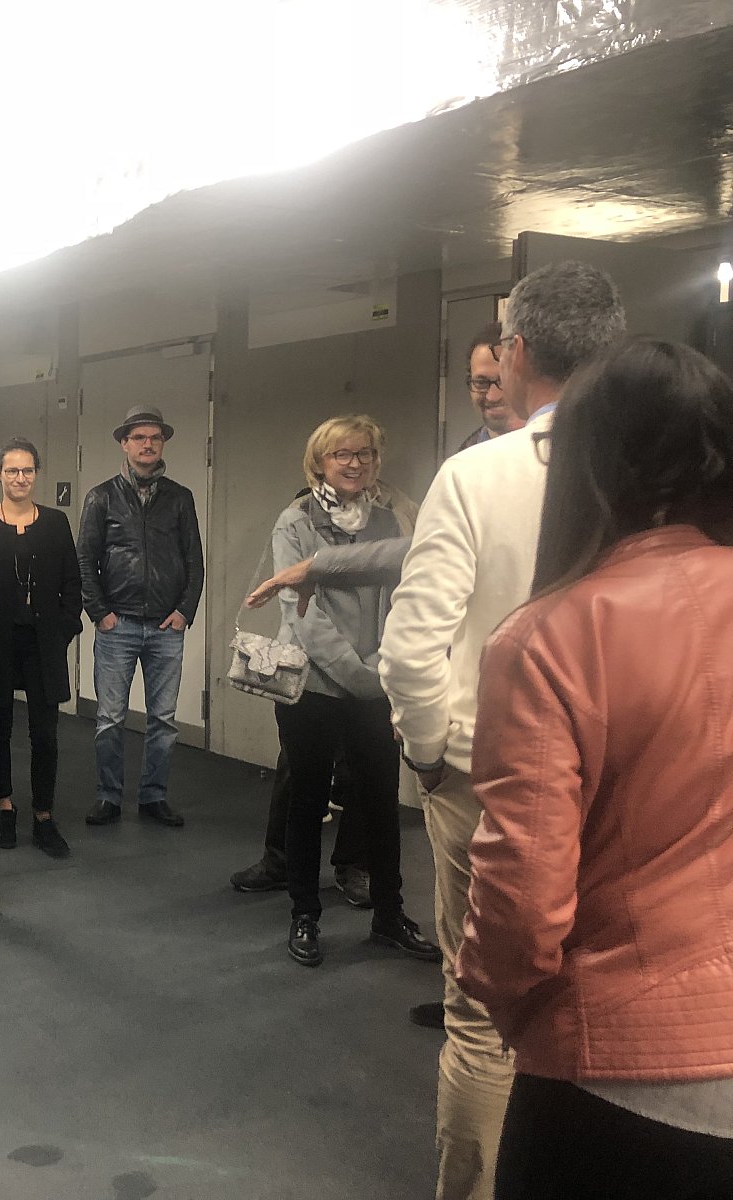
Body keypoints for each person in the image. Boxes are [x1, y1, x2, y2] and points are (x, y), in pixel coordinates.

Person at [458, 338, 733, 1200]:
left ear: (585, 462)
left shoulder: (552, 634)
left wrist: (504, 1005)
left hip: (619, 1064)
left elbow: (522, 902)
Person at [379, 259, 626, 1200]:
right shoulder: (665, 472)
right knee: (603, 995)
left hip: (490, 778)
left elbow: (413, 648)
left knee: (483, 1016)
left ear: (517, 352)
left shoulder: (477, 475)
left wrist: (430, 754)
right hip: (627, 784)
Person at [267, 415, 440, 969]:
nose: (355, 463)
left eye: (364, 453)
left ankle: (390, 915)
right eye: (341, 454)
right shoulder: (295, 521)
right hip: (316, 686)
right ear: (319, 462)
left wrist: (381, 667)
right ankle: (305, 914)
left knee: (379, 802)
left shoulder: (392, 520)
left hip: (378, 679)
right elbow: (301, 614)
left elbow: (407, 596)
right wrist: (363, 675)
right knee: (307, 799)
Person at [77, 406, 203, 829]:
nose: (147, 444)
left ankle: (154, 796)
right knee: (110, 718)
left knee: (163, 720)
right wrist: (100, 613)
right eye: (139, 437)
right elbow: (84, 560)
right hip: (119, 626)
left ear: (162, 443)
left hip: (167, 627)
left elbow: (194, 561)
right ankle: (108, 796)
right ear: (124, 443)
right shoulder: (101, 497)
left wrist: (184, 612)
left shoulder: (180, 498)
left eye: (155, 437)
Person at [0, 437, 81, 858]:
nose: (20, 478)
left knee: (45, 734)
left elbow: (72, 581)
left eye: (27, 470)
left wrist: (65, 627)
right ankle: (4, 806)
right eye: (12, 470)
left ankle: (43, 815)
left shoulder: (55, 522)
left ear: (36, 473)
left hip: (43, 643)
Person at [455, 322, 524, 452]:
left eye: (503, 381)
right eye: (481, 383)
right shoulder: (464, 457)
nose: (492, 397)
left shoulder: (559, 452)